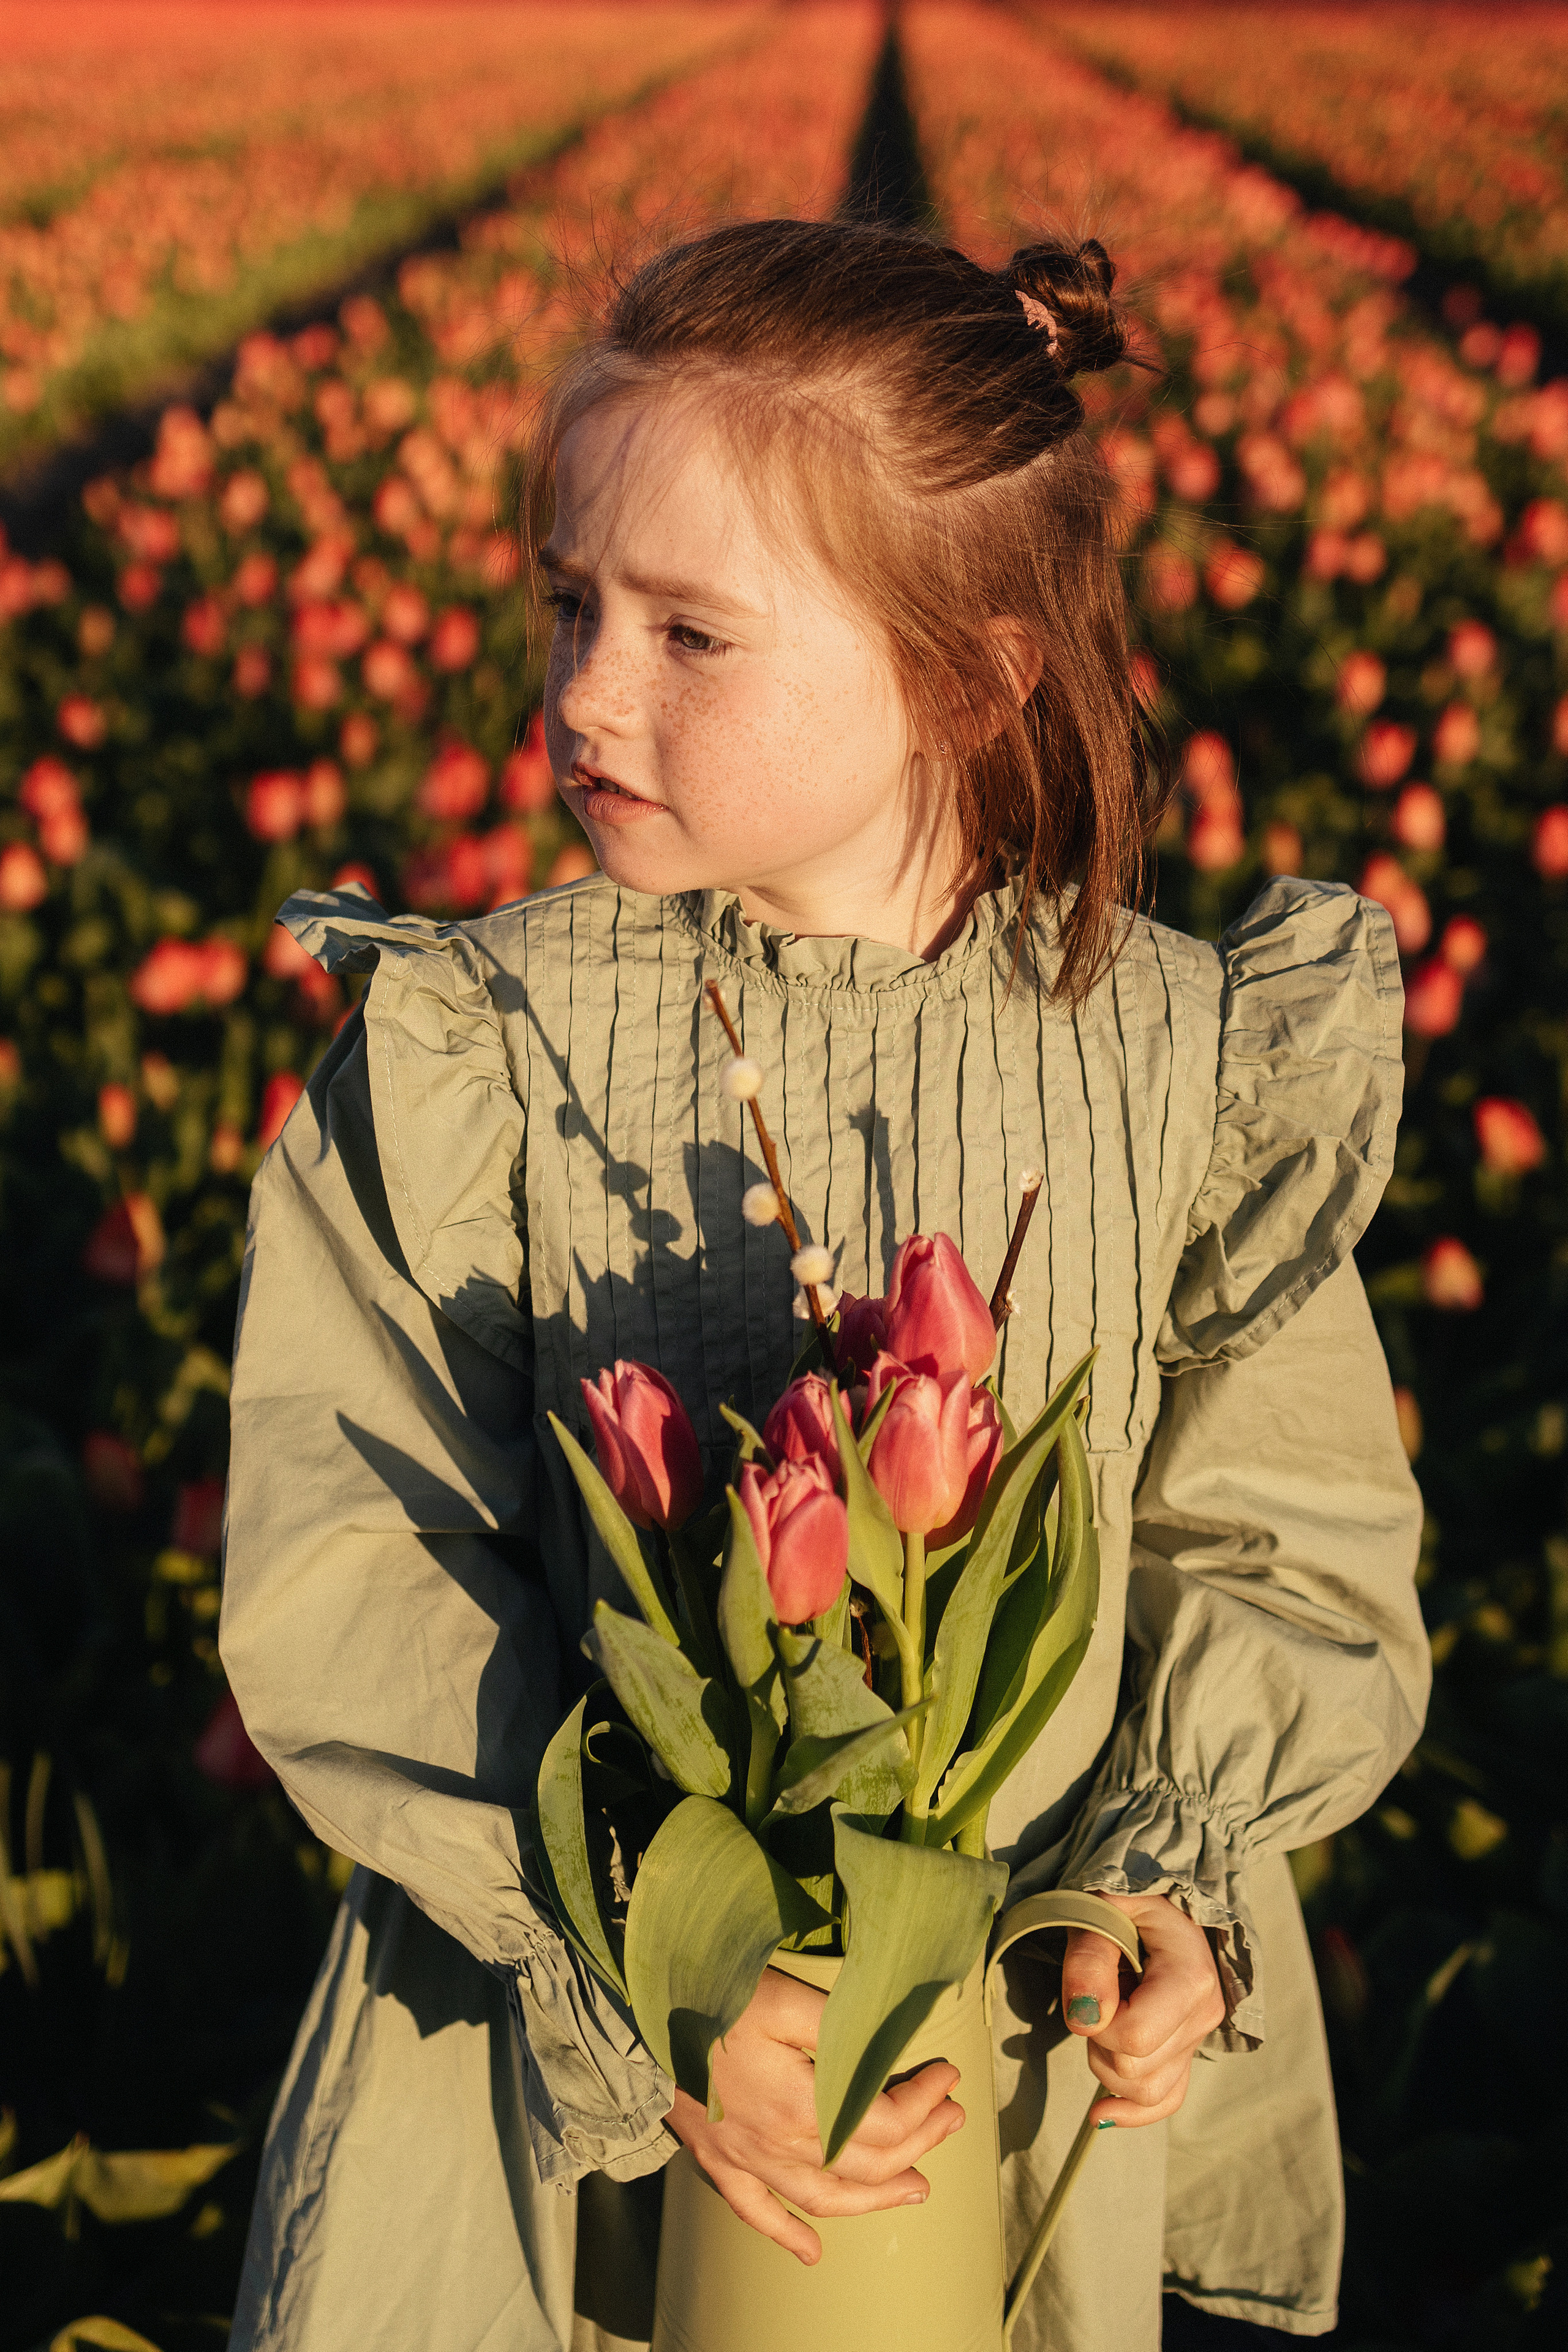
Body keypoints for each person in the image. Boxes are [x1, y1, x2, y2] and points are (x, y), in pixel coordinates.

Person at [221, 218, 1428, 2352]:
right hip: (566, 2067)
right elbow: (355, 1559)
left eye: (692, 635)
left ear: (971, 672)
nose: (588, 686)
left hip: (1011, 2046)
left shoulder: (1184, 1062)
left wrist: (1169, 1883)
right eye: (571, 605)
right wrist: (644, 1956)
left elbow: (1281, 1540)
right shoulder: (476, 1052)